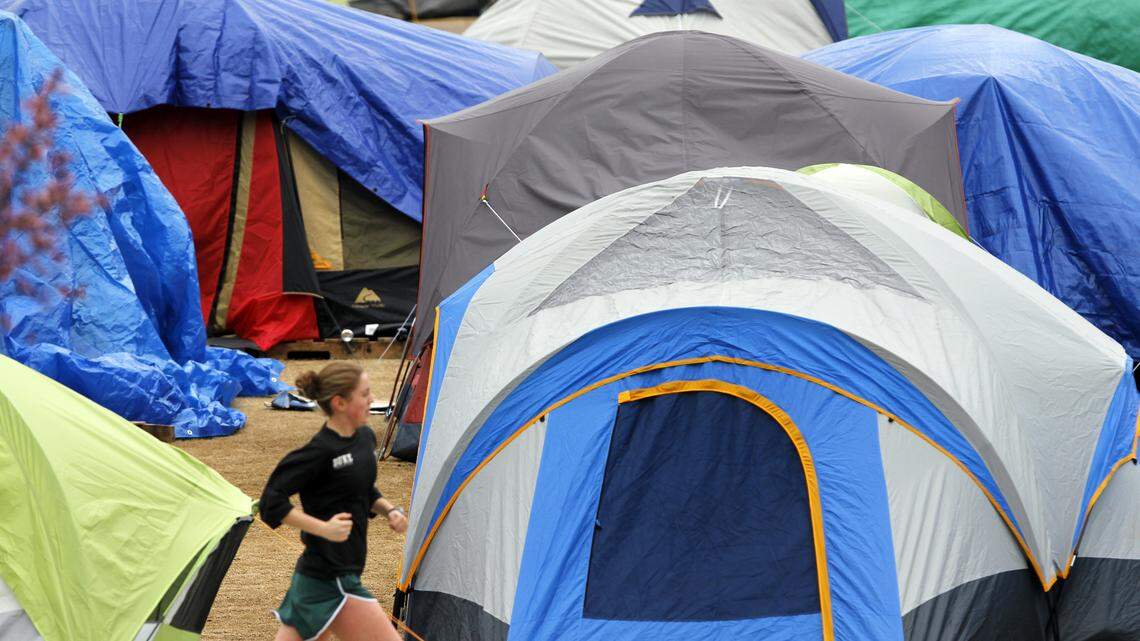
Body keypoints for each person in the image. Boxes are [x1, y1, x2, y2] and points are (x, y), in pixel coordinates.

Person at [260, 362, 408, 641]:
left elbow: (362, 489)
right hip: (331, 578)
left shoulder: (365, 438)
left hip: (323, 578)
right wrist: (323, 529)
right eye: (364, 394)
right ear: (340, 403)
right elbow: (271, 502)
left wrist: (389, 510)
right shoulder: (319, 451)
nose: (372, 400)